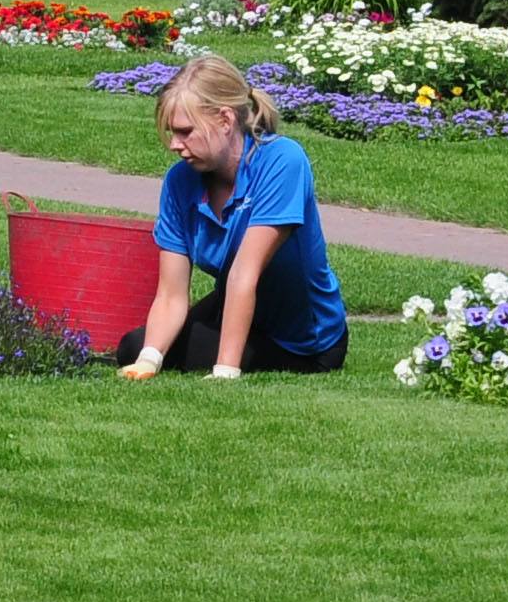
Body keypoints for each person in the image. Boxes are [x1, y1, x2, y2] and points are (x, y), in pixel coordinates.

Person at [116, 55, 348, 378]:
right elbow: (170, 294)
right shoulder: (179, 181)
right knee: (135, 346)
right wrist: (148, 362)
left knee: (184, 351)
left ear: (225, 120)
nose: (173, 144)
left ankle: (234, 355)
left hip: (304, 341)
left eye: (184, 132)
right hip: (237, 308)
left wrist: (225, 370)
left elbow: (244, 273)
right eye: (171, 132)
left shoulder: (282, 161)